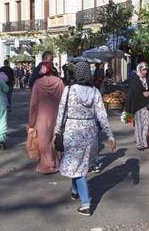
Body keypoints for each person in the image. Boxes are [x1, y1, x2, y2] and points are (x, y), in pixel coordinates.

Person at [55, 61, 116, 216]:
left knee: (78, 166)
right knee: (80, 164)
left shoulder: (69, 90)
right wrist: (110, 135)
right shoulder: (95, 91)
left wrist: (56, 132)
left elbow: (61, 112)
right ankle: (75, 190)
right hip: (90, 130)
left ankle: (86, 203)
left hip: (72, 130)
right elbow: (102, 115)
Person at [28, 62, 64, 174]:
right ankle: (56, 163)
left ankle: (47, 165)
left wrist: (31, 121)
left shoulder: (38, 83)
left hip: (41, 116)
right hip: (57, 115)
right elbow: (64, 100)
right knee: (55, 139)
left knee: (44, 141)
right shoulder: (59, 82)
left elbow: (34, 104)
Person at [124, 62, 149, 151]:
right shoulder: (134, 80)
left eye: (146, 69)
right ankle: (140, 143)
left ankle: (144, 139)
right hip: (137, 105)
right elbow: (131, 94)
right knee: (139, 124)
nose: (145, 72)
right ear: (139, 70)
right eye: (143, 70)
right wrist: (127, 109)